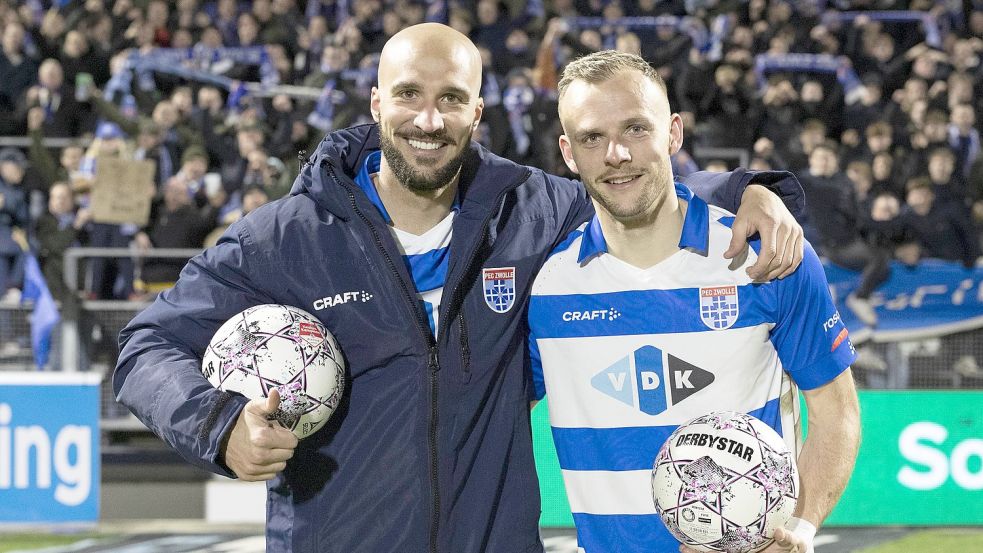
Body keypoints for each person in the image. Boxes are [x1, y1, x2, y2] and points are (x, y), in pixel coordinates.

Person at [113, 24, 805, 553]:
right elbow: (147, 343)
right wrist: (218, 423)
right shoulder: (286, 238)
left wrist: (749, 189)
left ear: (476, 113)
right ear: (377, 102)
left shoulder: (531, 211)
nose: (427, 118)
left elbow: (629, 188)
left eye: (450, 99)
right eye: (409, 95)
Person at [527, 51, 860, 553]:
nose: (616, 154)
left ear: (674, 133)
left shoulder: (767, 255)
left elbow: (836, 412)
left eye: (637, 128)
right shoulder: (545, 285)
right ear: (568, 153)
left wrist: (800, 528)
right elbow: (488, 419)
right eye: (592, 137)